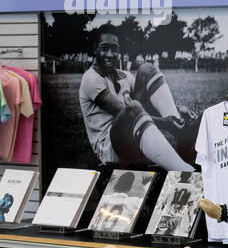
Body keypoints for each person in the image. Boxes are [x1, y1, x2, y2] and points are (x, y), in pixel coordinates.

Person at [78, 29, 198, 170]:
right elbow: (124, 111)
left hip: (134, 133)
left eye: (114, 49)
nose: (110, 54)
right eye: (105, 48)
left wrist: (176, 110)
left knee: (147, 69)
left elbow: (148, 101)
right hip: (110, 148)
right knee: (133, 108)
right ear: (95, 49)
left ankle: (180, 136)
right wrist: (166, 123)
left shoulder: (123, 75)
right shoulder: (90, 78)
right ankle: (184, 169)